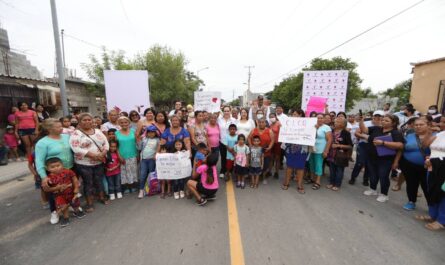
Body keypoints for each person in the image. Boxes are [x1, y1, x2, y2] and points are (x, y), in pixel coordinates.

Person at [36, 118, 73, 224]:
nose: (61, 128)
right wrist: (44, 177)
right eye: (58, 127)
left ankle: (66, 207)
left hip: (69, 169)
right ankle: (54, 212)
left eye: (61, 126)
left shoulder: (67, 137)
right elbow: (39, 161)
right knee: (54, 194)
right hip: (53, 173)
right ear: (49, 129)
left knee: (67, 190)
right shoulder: (42, 143)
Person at [70, 113, 109, 212]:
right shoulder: (76, 134)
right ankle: (89, 203)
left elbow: (106, 143)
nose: (87, 122)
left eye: (89, 120)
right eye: (84, 120)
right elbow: (76, 148)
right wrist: (94, 155)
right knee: (88, 183)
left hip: (99, 162)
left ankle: (101, 197)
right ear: (80, 122)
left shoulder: (98, 131)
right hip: (84, 164)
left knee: (99, 181)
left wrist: (103, 153)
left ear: (92, 121)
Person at [361, 114, 404, 203]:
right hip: (372, 157)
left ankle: (384, 194)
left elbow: (400, 145)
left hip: (385, 160)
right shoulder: (377, 128)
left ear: (393, 123)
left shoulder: (396, 133)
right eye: (383, 120)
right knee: (372, 175)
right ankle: (373, 189)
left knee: (383, 176)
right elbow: (364, 130)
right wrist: (361, 121)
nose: (383, 122)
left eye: (387, 121)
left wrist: (383, 143)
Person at [395, 117, 431, 210]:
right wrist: (396, 161)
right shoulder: (409, 136)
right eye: (416, 125)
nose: (418, 127)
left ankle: (432, 206)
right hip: (408, 164)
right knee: (411, 184)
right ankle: (411, 201)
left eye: (421, 125)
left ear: (428, 125)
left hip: (427, 166)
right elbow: (401, 149)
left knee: (427, 186)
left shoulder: (434, 136)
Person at [45, 157, 85, 227]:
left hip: (71, 192)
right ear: (47, 168)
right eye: (52, 167)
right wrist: (56, 188)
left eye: (58, 165)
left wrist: (76, 188)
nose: (56, 168)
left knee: (75, 203)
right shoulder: (48, 179)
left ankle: (77, 211)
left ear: (62, 165)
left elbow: (75, 180)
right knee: (63, 206)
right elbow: (47, 189)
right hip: (59, 195)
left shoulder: (68, 172)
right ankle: (66, 217)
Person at [420, 126, 445, 230]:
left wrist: (434, 161)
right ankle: (432, 215)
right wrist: (429, 133)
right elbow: (425, 145)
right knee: (432, 190)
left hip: (441, 167)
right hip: (432, 166)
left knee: (443, 193)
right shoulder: (440, 134)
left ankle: (441, 221)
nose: (441, 123)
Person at [349, 110, 383, 185]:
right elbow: (357, 133)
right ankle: (353, 177)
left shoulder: (384, 125)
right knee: (360, 162)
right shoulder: (366, 123)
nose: (377, 118)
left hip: (374, 147)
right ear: (373, 116)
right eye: (376, 116)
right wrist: (366, 137)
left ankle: (365, 179)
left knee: (369, 164)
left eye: (379, 116)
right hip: (363, 145)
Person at [281, 109, 309, 194]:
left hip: (302, 149)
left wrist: (313, 128)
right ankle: (287, 182)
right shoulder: (288, 123)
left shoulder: (307, 124)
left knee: (300, 167)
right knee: (289, 166)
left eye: (295, 114)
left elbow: (310, 135)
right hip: (290, 148)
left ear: (300, 115)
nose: (293, 116)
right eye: (293, 114)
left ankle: (300, 185)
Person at [326, 117, 353, 191]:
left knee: (339, 170)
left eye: (338, 122)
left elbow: (350, 146)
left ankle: (337, 184)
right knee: (332, 169)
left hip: (341, 155)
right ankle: (331, 182)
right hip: (331, 154)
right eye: (335, 121)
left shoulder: (346, 133)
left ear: (343, 124)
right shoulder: (332, 131)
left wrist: (339, 145)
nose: (335, 123)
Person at [308, 113, 332, 190]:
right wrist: (315, 129)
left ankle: (318, 182)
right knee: (311, 164)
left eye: (321, 118)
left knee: (318, 165)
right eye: (318, 118)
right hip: (312, 149)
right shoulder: (313, 127)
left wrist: (326, 151)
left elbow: (329, 140)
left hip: (321, 149)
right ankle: (312, 178)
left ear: (324, 119)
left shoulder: (326, 127)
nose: (319, 119)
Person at [115, 116, 138, 194]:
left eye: (125, 122)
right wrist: (119, 155)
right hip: (122, 155)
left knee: (133, 171)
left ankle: (133, 186)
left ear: (129, 123)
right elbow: (116, 146)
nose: (124, 124)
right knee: (124, 172)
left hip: (133, 154)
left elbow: (137, 143)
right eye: (121, 122)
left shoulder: (133, 131)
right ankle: (126, 187)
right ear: (119, 123)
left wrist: (137, 154)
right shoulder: (116, 133)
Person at [248, 118, 274, 184]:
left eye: (263, 122)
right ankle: (254, 177)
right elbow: (249, 137)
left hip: (266, 152)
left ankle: (264, 177)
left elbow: (273, 140)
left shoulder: (269, 131)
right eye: (260, 122)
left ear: (265, 123)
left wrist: (270, 147)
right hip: (255, 153)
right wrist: (250, 145)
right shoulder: (254, 130)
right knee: (254, 165)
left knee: (265, 166)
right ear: (258, 123)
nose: (261, 124)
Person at [138, 125, 159, 199]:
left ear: (155, 133)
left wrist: (156, 155)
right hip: (143, 159)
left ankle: (150, 189)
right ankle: (141, 190)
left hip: (152, 160)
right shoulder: (144, 139)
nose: (151, 134)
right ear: (147, 133)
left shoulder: (157, 140)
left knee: (151, 175)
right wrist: (139, 141)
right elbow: (139, 148)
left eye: (153, 132)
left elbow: (158, 148)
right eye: (149, 132)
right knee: (142, 175)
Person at [218, 106, 237, 178]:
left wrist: (235, 141)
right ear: (223, 111)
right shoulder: (219, 120)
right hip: (222, 142)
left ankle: (230, 170)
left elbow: (236, 131)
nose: (226, 112)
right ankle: (223, 170)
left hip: (231, 142)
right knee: (223, 157)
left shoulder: (234, 120)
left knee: (231, 157)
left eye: (228, 111)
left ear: (230, 111)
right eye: (225, 111)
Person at [269, 113, 281, 179]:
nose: (271, 118)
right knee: (271, 158)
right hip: (271, 143)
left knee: (277, 158)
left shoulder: (279, 123)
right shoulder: (270, 125)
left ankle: (276, 172)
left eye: (272, 116)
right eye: (270, 117)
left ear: (275, 117)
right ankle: (269, 171)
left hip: (277, 143)